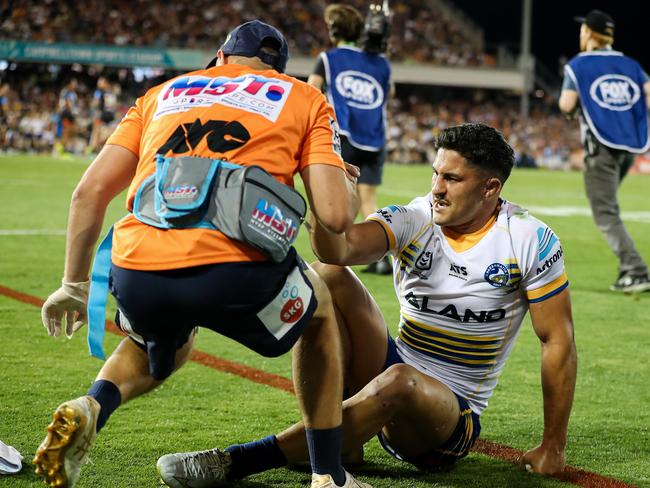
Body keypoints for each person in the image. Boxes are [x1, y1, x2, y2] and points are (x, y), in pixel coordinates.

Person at [35, 20, 371, 488]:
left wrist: (72, 286)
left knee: (160, 341)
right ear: (279, 65)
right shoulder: (302, 96)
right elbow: (334, 216)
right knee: (321, 312)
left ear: (220, 56)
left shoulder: (160, 94)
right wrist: (347, 185)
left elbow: (88, 193)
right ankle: (328, 475)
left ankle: (91, 404)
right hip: (236, 270)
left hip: (139, 268)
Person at [157, 123, 578, 484]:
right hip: (389, 365)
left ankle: (238, 461)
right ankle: (346, 447)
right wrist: (332, 199)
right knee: (324, 277)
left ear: (491, 187)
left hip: (447, 416)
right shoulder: (417, 217)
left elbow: (556, 341)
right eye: (435, 174)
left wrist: (553, 447)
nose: (436, 189)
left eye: (452, 179)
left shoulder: (528, 239)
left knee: (400, 381)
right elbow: (337, 251)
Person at [559, 9, 650, 293]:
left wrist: (577, 107)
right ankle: (631, 270)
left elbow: (566, 104)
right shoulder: (632, 64)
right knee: (609, 206)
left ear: (588, 33)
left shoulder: (579, 65)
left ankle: (635, 270)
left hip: (601, 147)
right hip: (630, 147)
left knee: (605, 212)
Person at [307, 3, 393, 275]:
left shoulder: (328, 58)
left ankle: (336, 252)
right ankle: (379, 257)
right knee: (368, 200)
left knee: (343, 198)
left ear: (334, 30)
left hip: (345, 135)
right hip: (376, 138)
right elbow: (388, 93)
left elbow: (311, 91)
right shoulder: (381, 62)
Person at [88, 76, 119, 154]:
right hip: (107, 116)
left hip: (104, 116)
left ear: (105, 83)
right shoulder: (111, 93)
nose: (99, 84)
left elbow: (95, 103)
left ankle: (93, 148)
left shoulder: (100, 92)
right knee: (101, 133)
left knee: (98, 133)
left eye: (100, 82)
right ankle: (94, 149)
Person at [54, 78, 79, 155]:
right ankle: (60, 150)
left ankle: (62, 149)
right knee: (66, 131)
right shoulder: (66, 92)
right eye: (74, 83)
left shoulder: (73, 93)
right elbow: (66, 103)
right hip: (66, 114)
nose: (75, 85)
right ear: (69, 84)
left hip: (70, 114)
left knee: (70, 132)